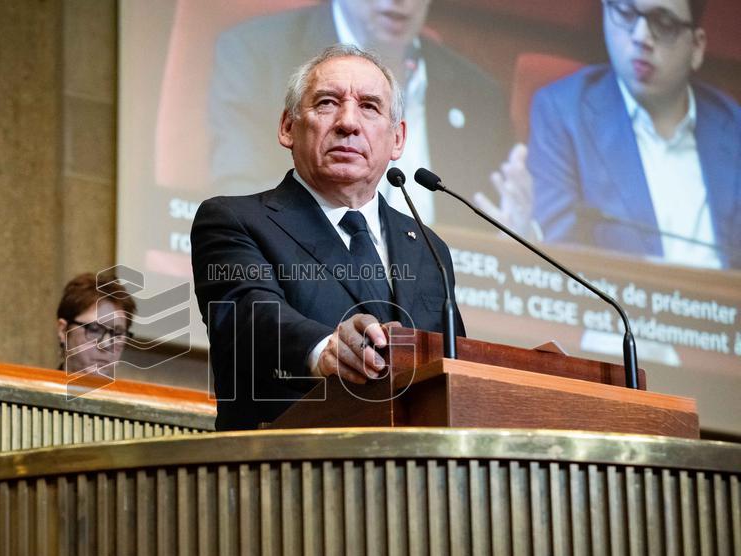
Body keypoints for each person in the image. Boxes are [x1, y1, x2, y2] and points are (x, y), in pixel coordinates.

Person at [192, 45, 465, 431]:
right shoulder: (234, 220)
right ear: (288, 127)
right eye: (327, 103)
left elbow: (452, 368)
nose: (348, 123)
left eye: (369, 107)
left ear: (398, 140)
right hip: (288, 466)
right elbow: (248, 315)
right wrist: (326, 350)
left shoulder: (427, 247)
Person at [208, 0, 510, 228]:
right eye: (327, 103)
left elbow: (483, 225)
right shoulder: (256, 54)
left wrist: (513, 225)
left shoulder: (480, 93)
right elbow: (241, 191)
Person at [525, 0, 741, 269]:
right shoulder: (564, 113)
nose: (641, 37)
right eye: (626, 13)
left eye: (663, 24)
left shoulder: (733, 129)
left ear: (696, 47)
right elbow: (558, 259)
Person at [55, 269, 137, 378]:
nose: (106, 344)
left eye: (117, 334)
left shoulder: (135, 395)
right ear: (63, 331)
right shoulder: (34, 391)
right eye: (94, 329)